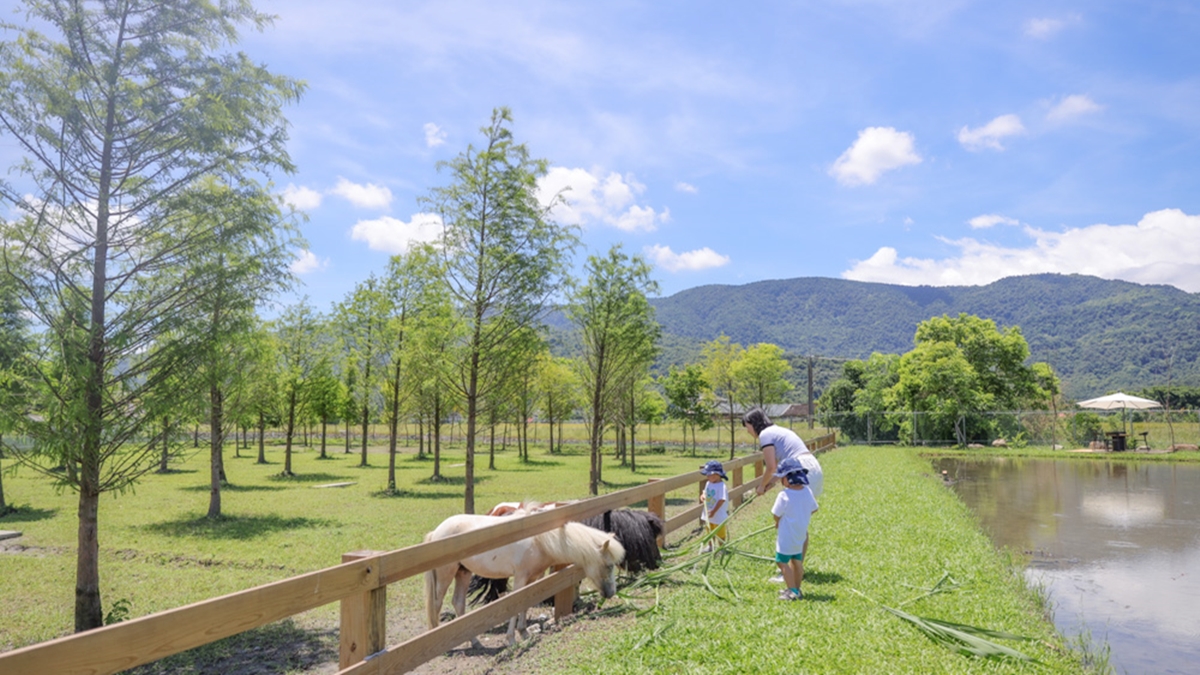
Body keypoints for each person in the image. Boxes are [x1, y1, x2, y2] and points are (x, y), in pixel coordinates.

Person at [744, 408, 823, 500]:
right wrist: (771, 483)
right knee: (802, 511)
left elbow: (771, 468)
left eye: (747, 426)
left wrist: (761, 486)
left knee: (793, 511)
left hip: (799, 469)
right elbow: (779, 468)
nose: (747, 431)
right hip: (813, 466)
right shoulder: (778, 430)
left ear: (753, 423)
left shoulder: (765, 435)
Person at [771, 457, 818, 601]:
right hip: (800, 534)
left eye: (782, 478)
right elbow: (814, 509)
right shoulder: (807, 491)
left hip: (787, 535)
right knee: (797, 562)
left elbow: (775, 514)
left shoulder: (784, 495)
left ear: (788, 478)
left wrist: (778, 522)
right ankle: (797, 589)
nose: (780, 482)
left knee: (782, 561)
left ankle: (792, 591)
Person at [698, 460, 729, 551]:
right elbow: (705, 493)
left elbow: (722, 499)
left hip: (717, 514)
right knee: (709, 531)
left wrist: (714, 511)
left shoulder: (721, 486)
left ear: (716, 475)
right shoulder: (708, 483)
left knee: (720, 532)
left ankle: (722, 547)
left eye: (708, 475)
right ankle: (710, 546)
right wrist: (703, 496)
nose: (707, 477)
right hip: (708, 514)